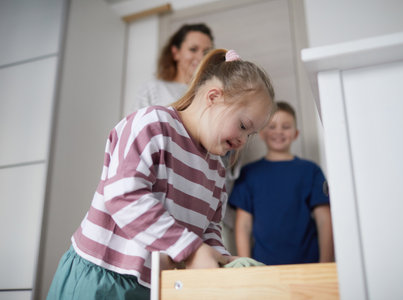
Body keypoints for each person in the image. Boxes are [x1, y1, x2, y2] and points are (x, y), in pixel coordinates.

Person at [46, 49, 275, 300]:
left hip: (154, 285)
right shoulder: (152, 124)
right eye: (243, 126)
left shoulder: (217, 169)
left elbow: (209, 228)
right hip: (102, 275)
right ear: (213, 97)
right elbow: (123, 195)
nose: (242, 140)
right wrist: (191, 250)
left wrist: (221, 261)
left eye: (250, 135)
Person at [229, 101, 334, 265]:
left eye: (286, 126)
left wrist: (326, 263)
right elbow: (243, 226)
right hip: (263, 267)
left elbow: (324, 220)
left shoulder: (310, 171)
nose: (278, 131)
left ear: (296, 133)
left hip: (308, 264)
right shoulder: (249, 173)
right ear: (261, 133)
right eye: (272, 126)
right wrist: (246, 268)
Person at [134, 23, 214, 110]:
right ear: (176, 53)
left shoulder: (213, 93)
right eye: (193, 49)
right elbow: (134, 123)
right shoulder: (153, 89)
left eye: (206, 52)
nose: (201, 57)